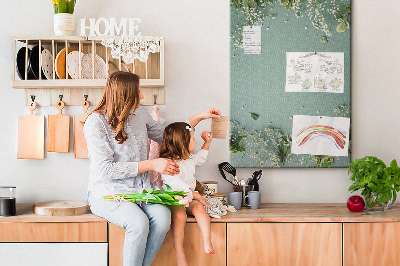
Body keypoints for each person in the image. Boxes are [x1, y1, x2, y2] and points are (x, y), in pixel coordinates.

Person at [83, 71, 221, 266]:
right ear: (126, 95)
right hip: (108, 193)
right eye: (138, 91)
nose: (142, 96)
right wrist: (151, 164)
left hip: (142, 191)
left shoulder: (139, 114)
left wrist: (200, 116)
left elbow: (169, 135)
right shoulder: (96, 123)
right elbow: (105, 169)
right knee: (138, 224)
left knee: (163, 219)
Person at [159, 122, 215, 266]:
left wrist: (207, 143)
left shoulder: (189, 158)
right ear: (182, 143)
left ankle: (207, 241)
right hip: (175, 198)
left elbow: (201, 159)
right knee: (180, 216)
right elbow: (177, 187)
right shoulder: (168, 163)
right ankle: (180, 253)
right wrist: (199, 196)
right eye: (192, 138)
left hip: (190, 198)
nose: (194, 141)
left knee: (200, 210)